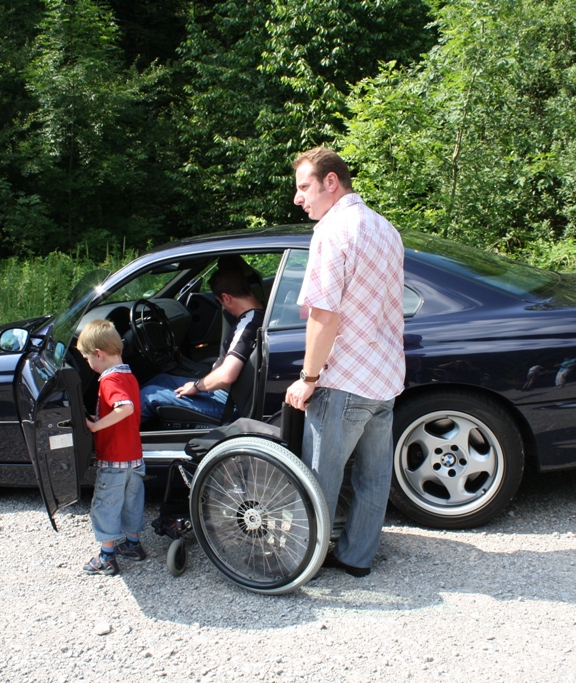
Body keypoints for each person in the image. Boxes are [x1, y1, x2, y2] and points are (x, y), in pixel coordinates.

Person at [284, 146, 405, 578]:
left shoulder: (332, 230)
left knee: (320, 478)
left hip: (344, 378)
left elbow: (324, 314)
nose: (298, 198)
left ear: (330, 182)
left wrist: (308, 377)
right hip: (384, 375)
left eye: (304, 187)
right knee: (373, 478)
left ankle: (305, 562)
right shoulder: (385, 228)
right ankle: (357, 558)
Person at [139, 266, 264, 424]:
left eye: (219, 301)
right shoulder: (259, 314)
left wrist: (196, 386)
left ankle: (117, 430)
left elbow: (226, 375)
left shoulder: (248, 326)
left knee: (149, 395)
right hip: (222, 392)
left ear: (226, 298)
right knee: (162, 380)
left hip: (226, 402)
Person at [76, 319, 148, 576]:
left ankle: (106, 557)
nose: (88, 363)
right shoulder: (129, 375)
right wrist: (100, 419)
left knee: (106, 504)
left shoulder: (109, 380)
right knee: (132, 502)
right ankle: (133, 545)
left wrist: (96, 426)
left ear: (98, 354)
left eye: (87, 358)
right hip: (134, 457)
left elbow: (125, 408)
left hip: (114, 459)